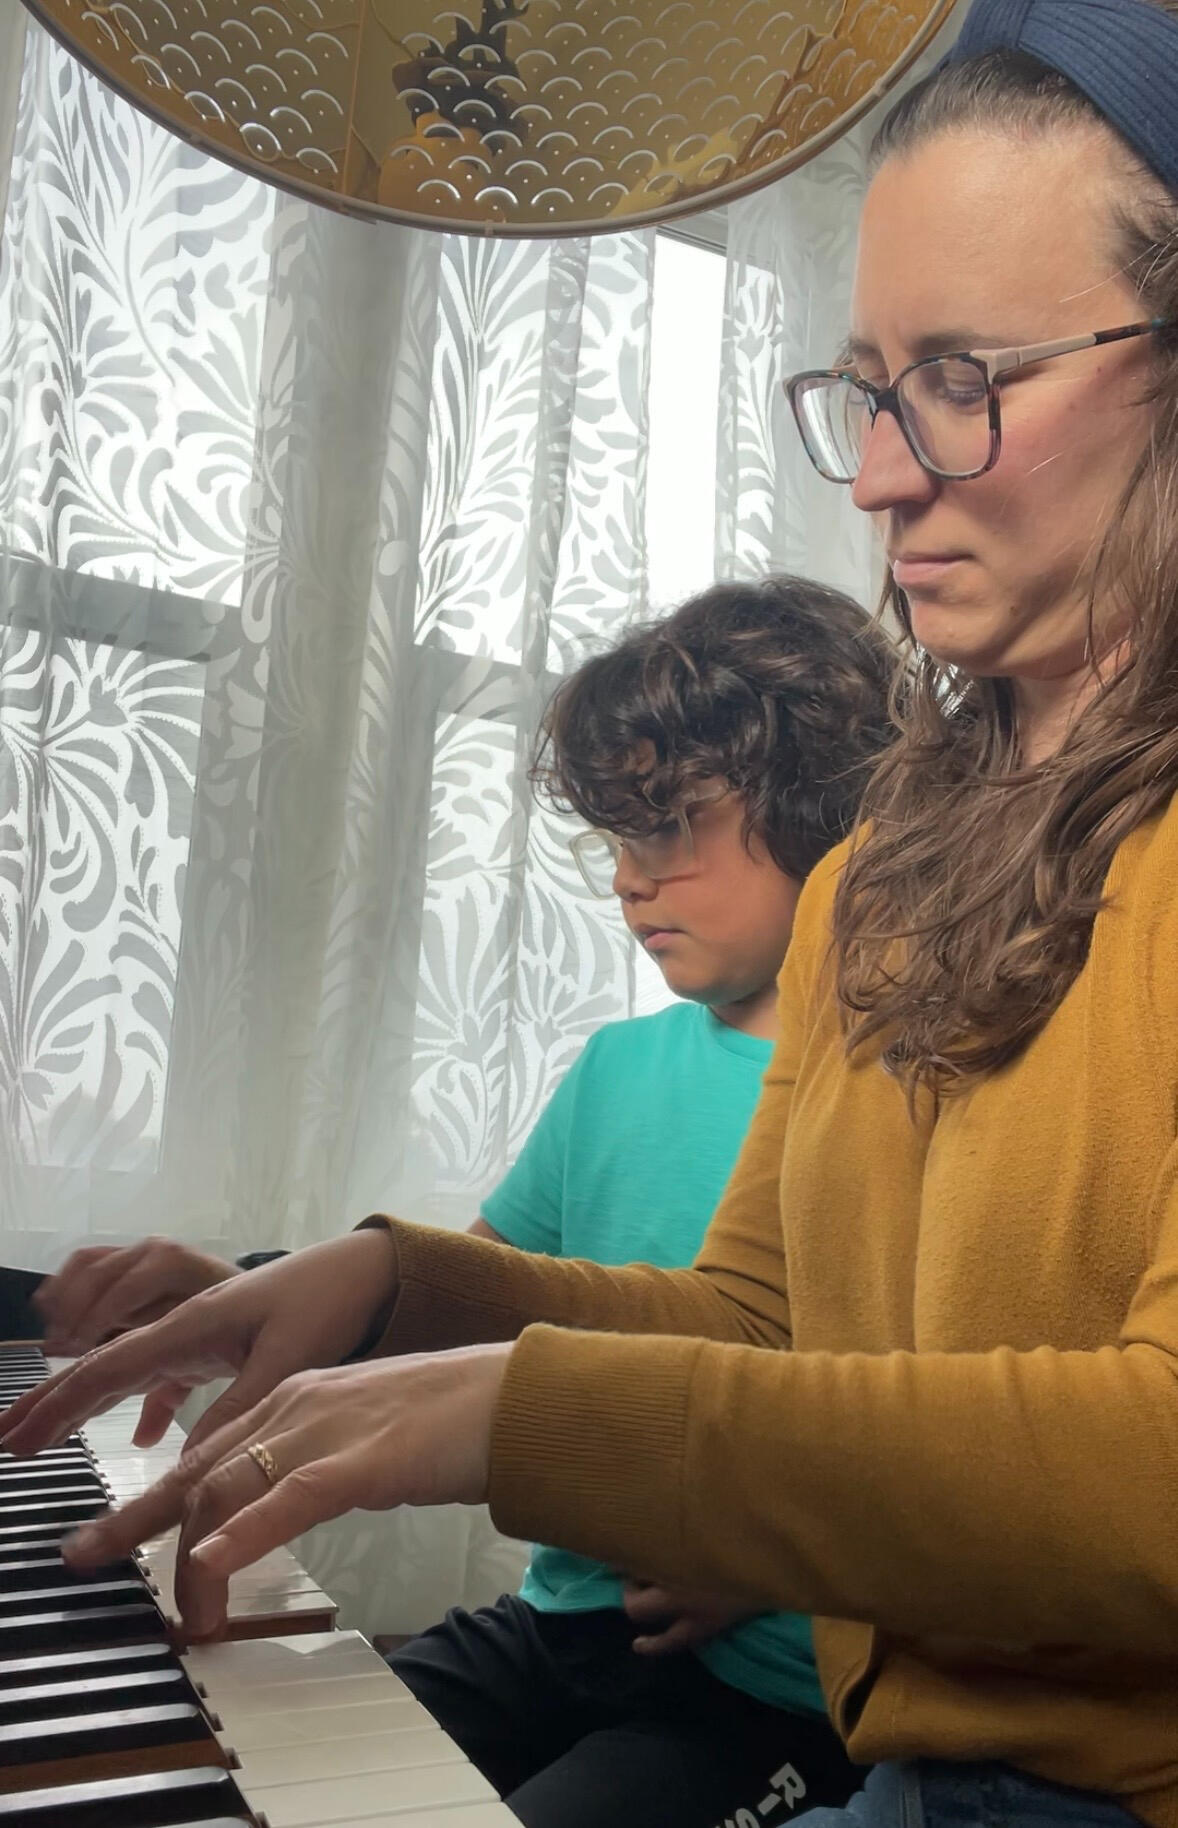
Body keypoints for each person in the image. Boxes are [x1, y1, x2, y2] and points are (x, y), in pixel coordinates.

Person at [10, 0, 1178, 1822]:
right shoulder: (880, 872)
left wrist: (513, 1414)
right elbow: (766, 1330)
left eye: (963, 380)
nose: (874, 473)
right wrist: (407, 1286)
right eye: (867, 386)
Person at [33, 577, 895, 1828]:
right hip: (556, 1627)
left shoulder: (899, 1089)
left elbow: (923, 1415)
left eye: (669, 830)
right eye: (612, 840)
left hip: (768, 1693)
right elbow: (464, 1315)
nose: (626, 885)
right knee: (231, 1779)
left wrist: (773, 1544)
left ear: (824, 802)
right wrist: (238, 1293)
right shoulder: (617, 1067)